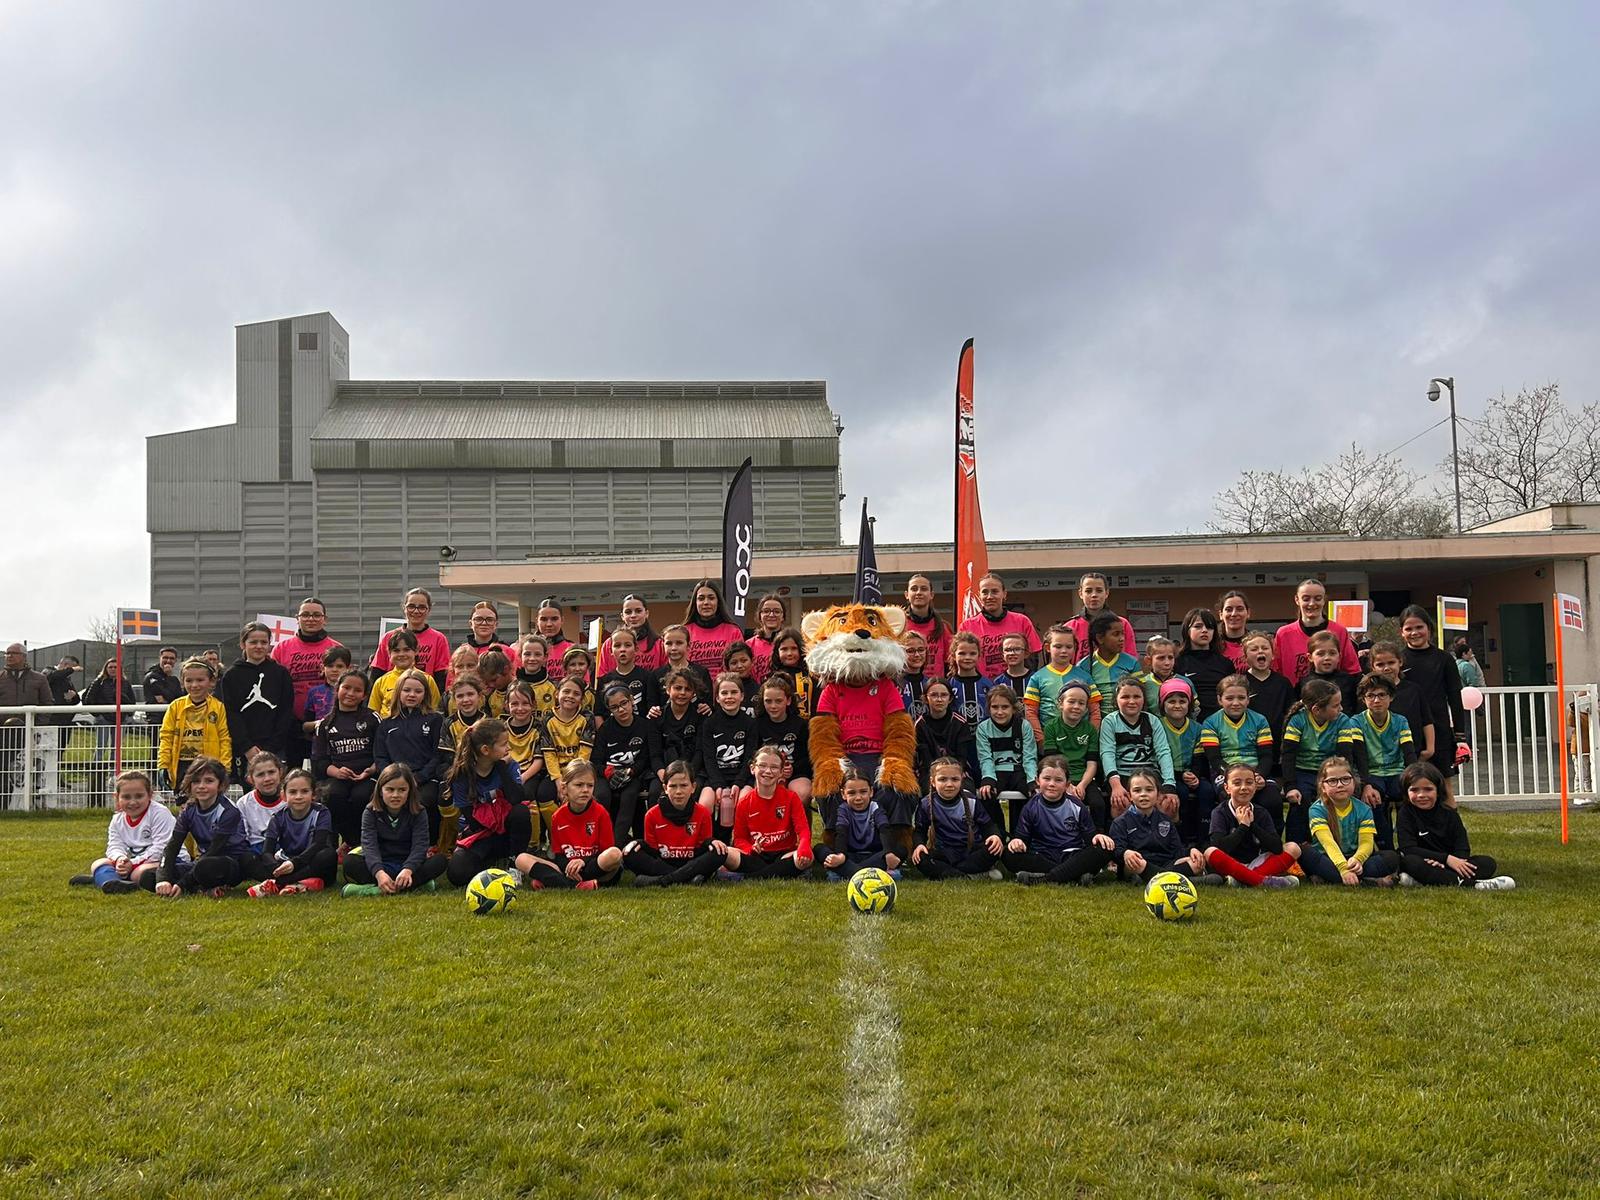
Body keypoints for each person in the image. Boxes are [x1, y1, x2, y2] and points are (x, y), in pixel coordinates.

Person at [441, 718, 539, 889]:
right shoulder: (461, 774)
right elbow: (473, 821)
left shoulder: (508, 766)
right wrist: (498, 811)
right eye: (504, 744)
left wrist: (501, 767)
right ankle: (491, 862)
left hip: (506, 833)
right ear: (485, 750)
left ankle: (514, 864)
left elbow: (516, 799)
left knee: (521, 812)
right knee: (457, 873)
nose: (508, 748)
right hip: (481, 834)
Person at [1395, 761, 1515, 889]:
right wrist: (1444, 859)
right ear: (1406, 792)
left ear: (1438, 790)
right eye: (1414, 790)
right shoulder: (1405, 813)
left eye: (1428, 789)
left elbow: (1462, 847)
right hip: (1424, 860)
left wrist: (1454, 862)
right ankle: (1474, 885)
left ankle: (1428, 880)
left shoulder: (1449, 814)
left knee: (1487, 863)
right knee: (1410, 862)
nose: (1421, 795)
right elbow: (1408, 848)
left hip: (1450, 863)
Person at [154, 758, 259, 897]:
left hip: (228, 864)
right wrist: (163, 879)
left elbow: (214, 851)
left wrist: (182, 883)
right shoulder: (188, 811)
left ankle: (193, 887)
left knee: (204, 867)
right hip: (201, 861)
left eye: (209, 781)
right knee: (149, 877)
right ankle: (201, 889)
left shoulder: (229, 811)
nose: (201, 786)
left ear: (220, 785)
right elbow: (172, 846)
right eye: (196, 781)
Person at [1006, 756, 1116, 886]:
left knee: (1105, 849)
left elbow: (1090, 839)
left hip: (1072, 855)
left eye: (1058, 780)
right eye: (1047, 779)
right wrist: (1017, 841)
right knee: (1008, 853)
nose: (1052, 784)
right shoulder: (1030, 807)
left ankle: (1044, 879)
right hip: (1043, 856)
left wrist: (1098, 837)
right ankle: (1074, 875)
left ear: (1067, 784)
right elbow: (1022, 839)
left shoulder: (1076, 805)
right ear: (1037, 781)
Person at [342, 763, 449, 895]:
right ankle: (413, 885)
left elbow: (420, 845)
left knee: (440, 861)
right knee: (349, 862)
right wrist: (379, 873)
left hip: (408, 865)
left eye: (402, 790)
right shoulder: (370, 812)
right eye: (390, 789)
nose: (395, 795)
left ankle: (373, 890)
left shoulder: (419, 811)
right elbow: (369, 845)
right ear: (380, 790)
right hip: (382, 863)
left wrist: (408, 869)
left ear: (410, 791)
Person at [1280, 678, 1365, 845]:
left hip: (1331, 772)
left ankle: (1340, 844)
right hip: (1302, 771)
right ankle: (1296, 847)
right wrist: (1290, 786)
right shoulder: (1298, 720)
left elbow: (1345, 756)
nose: (1341, 708)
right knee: (1300, 799)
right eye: (1335, 705)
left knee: (1337, 796)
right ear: (1317, 710)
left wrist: (1341, 780)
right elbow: (1288, 755)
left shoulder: (1342, 721)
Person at [1399, 604, 1469, 806]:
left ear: (1429, 628)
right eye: (1409, 628)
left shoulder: (1444, 659)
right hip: (1407, 731)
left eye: (1419, 627)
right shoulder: (1398, 659)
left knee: (1443, 787)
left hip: (1439, 730)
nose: (1414, 633)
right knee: (1407, 788)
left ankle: (1451, 825)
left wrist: (1460, 736)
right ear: (1401, 632)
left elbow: (1455, 698)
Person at [623, 760, 733, 887]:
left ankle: (660, 881)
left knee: (720, 851)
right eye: (673, 786)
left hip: (691, 862)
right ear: (665, 788)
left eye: (684, 785)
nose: (678, 791)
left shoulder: (703, 813)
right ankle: (688, 878)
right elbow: (653, 852)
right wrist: (640, 843)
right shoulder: (651, 814)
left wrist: (711, 842)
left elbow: (702, 848)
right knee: (630, 852)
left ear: (693, 787)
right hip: (664, 864)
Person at [68, 769, 178, 893]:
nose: (133, 802)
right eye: (126, 797)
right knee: (98, 863)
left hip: (167, 860)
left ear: (150, 795)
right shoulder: (117, 819)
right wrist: (120, 859)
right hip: (135, 862)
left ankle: (103, 878)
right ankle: (111, 881)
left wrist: (132, 863)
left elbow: (162, 848)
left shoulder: (159, 813)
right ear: (117, 797)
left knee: (138, 873)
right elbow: (114, 846)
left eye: (139, 796)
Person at [1199, 674, 1282, 831]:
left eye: (1241, 698)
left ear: (1248, 699)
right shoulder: (1210, 723)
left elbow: (1266, 755)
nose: (1236, 703)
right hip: (1225, 773)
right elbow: (1214, 759)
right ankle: (1231, 838)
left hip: (1256, 772)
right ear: (1220, 699)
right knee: (1229, 797)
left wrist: (1259, 776)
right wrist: (1234, 777)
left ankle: (1272, 840)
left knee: (1272, 800)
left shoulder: (1260, 720)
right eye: (1229, 698)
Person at [1301, 755, 1398, 886]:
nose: (1340, 785)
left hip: (1354, 859)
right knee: (1304, 852)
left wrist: (1358, 860)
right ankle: (1367, 880)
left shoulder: (1364, 809)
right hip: (1328, 858)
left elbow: (1366, 842)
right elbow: (1328, 843)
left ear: (1354, 781)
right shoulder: (1317, 809)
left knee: (1391, 857)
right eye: (1332, 781)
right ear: (1323, 786)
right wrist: (1343, 868)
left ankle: (1331, 877)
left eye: (1345, 779)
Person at [373, 668, 445, 842]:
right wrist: (392, 779)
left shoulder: (435, 720)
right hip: (394, 779)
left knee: (424, 800)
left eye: (418, 691)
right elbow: (380, 756)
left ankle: (429, 843)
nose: (412, 695)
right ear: (398, 692)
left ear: (425, 694)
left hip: (424, 779)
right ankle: (391, 843)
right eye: (407, 690)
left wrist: (420, 777)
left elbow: (438, 755)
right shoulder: (386, 724)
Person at [1203, 762, 1301, 888]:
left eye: (1249, 783)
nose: (1244, 787)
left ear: (1255, 787)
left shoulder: (1261, 812)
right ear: (1227, 788)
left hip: (1256, 863)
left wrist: (1252, 824)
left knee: (1293, 848)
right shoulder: (1220, 812)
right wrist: (1243, 827)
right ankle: (1263, 881)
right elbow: (1220, 847)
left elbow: (1277, 847)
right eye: (1237, 783)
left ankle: (1243, 880)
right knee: (1210, 852)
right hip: (1230, 865)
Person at [270, 598, 343, 766]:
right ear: (297, 618)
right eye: (305, 615)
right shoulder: (281, 648)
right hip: (290, 724)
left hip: (327, 724)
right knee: (291, 774)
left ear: (325, 619)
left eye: (316, 615)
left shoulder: (337, 648)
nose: (311, 619)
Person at [311, 670, 378, 850]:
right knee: (334, 796)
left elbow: (383, 752)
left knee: (360, 797)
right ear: (337, 689)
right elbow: (319, 761)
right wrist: (336, 772)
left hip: (368, 775)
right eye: (346, 688)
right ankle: (349, 842)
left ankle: (363, 843)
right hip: (339, 776)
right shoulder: (325, 724)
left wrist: (371, 769)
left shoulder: (372, 718)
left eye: (357, 690)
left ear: (364, 695)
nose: (350, 693)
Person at [219, 621, 296, 780]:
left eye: (263, 642)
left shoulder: (281, 674)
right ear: (243, 644)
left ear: (269, 644)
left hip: (276, 746)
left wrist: (272, 747)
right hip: (246, 749)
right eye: (253, 642)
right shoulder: (232, 675)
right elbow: (231, 713)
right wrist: (246, 746)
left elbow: (285, 711)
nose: (259, 646)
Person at [531, 760, 625, 889]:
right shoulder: (558, 816)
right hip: (569, 867)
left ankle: (555, 881)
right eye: (579, 785)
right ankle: (582, 884)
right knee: (521, 859)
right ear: (564, 788)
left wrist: (582, 861)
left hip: (593, 865)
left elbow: (605, 851)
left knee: (614, 854)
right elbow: (559, 855)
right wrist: (571, 867)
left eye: (590, 785)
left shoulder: (601, 813)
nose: (585, 790)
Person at [1108, 767, 1212, 883]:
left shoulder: (1165, 820)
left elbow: (1177, 850)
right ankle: (1184, 880)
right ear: (1130, 796)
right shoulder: (1120, 822)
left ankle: (1156, 878)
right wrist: (1125, 853)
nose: (1143, 794)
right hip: (1140, 864)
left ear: (1158, 794)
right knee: (1134, 864)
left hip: (1166, 863)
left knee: (1195, 863)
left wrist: (1191, 851)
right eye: (1137, 790)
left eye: (1149, 790)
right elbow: (1116, 851)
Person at [246, 767, 338, 896]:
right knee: (248, 858)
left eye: (304, 791)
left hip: (309, 860)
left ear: (314, 794)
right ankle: (298, 883)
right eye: (293, 792)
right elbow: (267, 851)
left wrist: (294, 863)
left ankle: (280, 883)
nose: (298, 797)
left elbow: (318, 844)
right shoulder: (278, 817)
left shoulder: (321, 812)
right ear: (283, 795)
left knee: (328, 855)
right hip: (286, 862)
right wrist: (276, 868)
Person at [592, 684, 664, 847]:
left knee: (629, 796)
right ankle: (599, 841)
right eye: (614, 707)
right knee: (602, 795)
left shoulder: (645, 726)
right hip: (608, 774)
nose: (621, 709)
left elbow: (646, 758)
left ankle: (616, 845)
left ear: (632, 701)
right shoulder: (605, 729)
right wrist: (609, 772)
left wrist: (631, 771)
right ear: (609, 709)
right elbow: (595, 761)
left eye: (624, 703)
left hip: (633, 774)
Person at [727, 745, 814, 879]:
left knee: (807, 857)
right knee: (727, 853)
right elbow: (739, 838)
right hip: (756, 855)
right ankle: (780, 872)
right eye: (762, 765)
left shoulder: (791, 797)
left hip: (784, 854)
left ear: (781, 772)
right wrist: (750, 849)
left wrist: (804, 848)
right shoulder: (744, 802)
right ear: (752, 768)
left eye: (774, 767)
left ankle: (750, 877)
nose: (768, 771)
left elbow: (803, 831)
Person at [1352, 673, 1416, 852]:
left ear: (1391, 697)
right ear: (1363, 699)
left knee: (1411, 797)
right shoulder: (1356, 722)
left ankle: (1409, 847)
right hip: (1371, 774)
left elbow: (1409, 752)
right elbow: (1359, 756)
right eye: (1370, 696)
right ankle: (1386, 849)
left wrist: (1414, 780)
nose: (1376, 700)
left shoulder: (1400, 721)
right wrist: (1366, 784)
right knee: (1374, 799)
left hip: (1397, 772)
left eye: (1381, 695)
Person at [1099, 676, 1177, 820]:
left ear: (1144, 699)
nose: (1131, 701)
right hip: (1121, 775)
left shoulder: (1152, 720)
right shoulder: (1110, 721)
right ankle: (1122, 834)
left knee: (1169, 805)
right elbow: (1107, 753)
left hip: (1150, 772)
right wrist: (1115, 785)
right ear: (1116, 699)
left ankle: (1163, 834)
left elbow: (1164, 752)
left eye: (1136, 696)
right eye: (1125, 697)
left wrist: (1169, 785)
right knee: (1120, 803)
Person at [912, 756, 1002, 879]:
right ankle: (972, 875)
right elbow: (919, 830)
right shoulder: (926, 804)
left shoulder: (971, 800)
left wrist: (994, 836)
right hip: (944, 853)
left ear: (961, 780)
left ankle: (951, 873)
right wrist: (919, 844)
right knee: (921, 858)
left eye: (955, 779)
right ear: (933, 782)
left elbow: (988, 825)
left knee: (993, 849)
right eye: (942, 779)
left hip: (971, 851)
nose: (949, 784)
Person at [157, 658, 230, 795]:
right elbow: (166, 737)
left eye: (200, 680)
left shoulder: (218, 708)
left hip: (209, 766)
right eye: (189, 680)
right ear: (182, 682)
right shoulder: (175, 707)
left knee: (207, 801)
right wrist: (163, 764)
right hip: (181, 765)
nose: (194, 685)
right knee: (184, 804)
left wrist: (225, 767)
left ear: (211, 681)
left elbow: (224, 739)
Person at [1039, 681, 1105, 831]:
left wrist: (1082, 785)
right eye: (1071, 701)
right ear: (1060, 704)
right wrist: (1067, 785)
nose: (1076, 706)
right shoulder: (1051, 728)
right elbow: (1051, 763)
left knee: (1098, 804)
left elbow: (1092, 764)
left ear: (1086, 708)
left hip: (1084, 778)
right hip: (1059, 778)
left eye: (1081, 703)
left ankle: (1098, 837)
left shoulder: (1090, 730)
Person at [816, 767, 902, 881]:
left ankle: (845, 872)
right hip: (850, 855)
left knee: (900, 849)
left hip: (874, 854)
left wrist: (888, 853)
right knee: (819, 849)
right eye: (852, 793)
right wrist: (841, 855)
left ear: (871, 791)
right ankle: (876, 874)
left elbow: (884, 830)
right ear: (843, 794)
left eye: (863, 792)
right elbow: (841, 833)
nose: (858, 798)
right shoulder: (843, 809)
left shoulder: (875, 807)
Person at [699, 672, 757, 840]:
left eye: (734, 692)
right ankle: (708, 844)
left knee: (744, 803)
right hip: (716, 777)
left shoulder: (750, 723)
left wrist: (738, 783)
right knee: (704, 805)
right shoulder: (709, 723)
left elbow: (750, 758)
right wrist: (718, 785)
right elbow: (708, 758)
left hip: (742, 777)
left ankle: (741, 843)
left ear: (742, 696)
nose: (729, 697)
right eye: (724, 693)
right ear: (717, 698)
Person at [1272, 578, 1361, 687]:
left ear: (1324, 600)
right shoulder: (1284, 634)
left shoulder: (1339, 631)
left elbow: (1352, 671)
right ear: (1297, 600)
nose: (1312, 603)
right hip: (1294, 695)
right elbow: (1275, 672)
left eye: (1318, 598)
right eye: (1306, 599)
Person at [974, 684, 1036, 837]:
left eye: (1005, 707)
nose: (1000, 712)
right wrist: (988, 779)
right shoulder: (983, 728)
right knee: (987, 794)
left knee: (1031, 795)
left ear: (1013, 708)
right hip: (996, 772)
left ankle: (1020, 837)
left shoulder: (1024, 726)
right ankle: (998, 836)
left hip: (1018, 771)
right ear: (989, 708)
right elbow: (985, 758)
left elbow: (1029, 757)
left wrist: (1032, 780)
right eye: (995, 707)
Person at [1158, 676, 1213, 844]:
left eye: (1182, 701)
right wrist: (1179, 775)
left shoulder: (1197, 728)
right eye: (1171, 701)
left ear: (1189, 704)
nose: (1177, 705)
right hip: (1168, 776)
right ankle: (1181, 839)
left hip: (1191, 774)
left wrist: (1195, 775)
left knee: (1206, 790)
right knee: (1179, 793)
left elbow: (1199, 757)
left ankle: (1204, 839)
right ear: (1162, 704)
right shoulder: (1158, 725)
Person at [958, 572, 1042, 679]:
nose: (989, 597)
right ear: (979, 595)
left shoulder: (1022, 621)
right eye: (985, 592)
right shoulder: (967, 626)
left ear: (1004, 594)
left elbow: (1033, 657)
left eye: (995, 591)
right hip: (982, 686)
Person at [533, 677, 594, 822]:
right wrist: (559, 782)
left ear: (582, 699)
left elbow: (584, 753)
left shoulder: (586, 717)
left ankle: (580, 831)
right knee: (543, 795)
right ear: (557, 694)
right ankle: (557, 831)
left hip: (579, 771)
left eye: (576, 694)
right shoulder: (548, 718)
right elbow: (549, 754)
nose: (570, 696)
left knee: (580, 795)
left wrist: (574, 779)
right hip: (557, 773)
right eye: (566, 691)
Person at [1024, 624, 1096, 745]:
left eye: (1069, 647)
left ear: (1075, 648)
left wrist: (1091, 737)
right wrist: (1041, 740)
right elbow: (1030, 713)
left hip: (1081, 743)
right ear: (1048, 647)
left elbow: (1095, 711)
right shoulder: (1037, 678)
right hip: (1050, 742)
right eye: (1058, 646)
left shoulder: (1085, 677)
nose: (1064, 651)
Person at [1369, 640, 1436, 769]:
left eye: (1391, 662)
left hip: (1412, 754)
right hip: (1379, 758)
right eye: (1380, 664)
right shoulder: (1369, 694)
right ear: (1373, 667)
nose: (1386, 668)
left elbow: (1427, 720)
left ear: (1400, 662)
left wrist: (1430, 749)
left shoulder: (1414, 690)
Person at [370, 587, 452, 689]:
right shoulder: (389, 637)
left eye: (422, 607)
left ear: (429, 610)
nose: (416, 611)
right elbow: (376, 675)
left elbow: (442, 677)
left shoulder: (439, 639)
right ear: (404, 608)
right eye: (411, 606)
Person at [1, 643, 52, 807]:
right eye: (7, 653)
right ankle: (4, 806)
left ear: (24, 656)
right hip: (3, 733)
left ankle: (29, 806)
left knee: (28, 769)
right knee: (3, 769)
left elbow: (47, 703)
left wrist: (36, 727)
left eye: (13, 653)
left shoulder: (39, 678)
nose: (9, 656)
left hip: (29, 733)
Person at [755, 673, 812, 809]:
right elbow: (752, 754)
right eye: (768, 701)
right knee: (764, 792)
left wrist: (793, 769)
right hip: (766, 772)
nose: (773, 706)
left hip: (795, 773)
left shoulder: (801, 725)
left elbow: (807, 757)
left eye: (778, 701)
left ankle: (798, 822)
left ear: (788, 700)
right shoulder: (757, 725)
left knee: (801, 793)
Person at [1064, 572, 1136, 669]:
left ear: (1106, 593)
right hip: (1080, 677)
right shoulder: (1069, 627)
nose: (1094, 595)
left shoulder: (1122, 624)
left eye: (1099, 590)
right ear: (1080, 593)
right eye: (1088, 591)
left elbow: (1131, 660)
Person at [914, 678, 973, 795]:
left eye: (944, 695)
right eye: (934, 695)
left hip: (957, 770)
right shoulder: (920, 725)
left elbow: (962, 757)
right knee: (929, 791)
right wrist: (939, 776)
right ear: (926, 698)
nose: (939, 699)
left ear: (950, 698)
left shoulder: (960, 723)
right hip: (930, 772)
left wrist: (953, 773)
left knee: (967, 790)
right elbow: (925, 759)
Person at [369, 629, 442, 718]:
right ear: (389, 653)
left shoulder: (427, 680)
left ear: (416, 650)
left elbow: (435, 710)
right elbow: (372, 715)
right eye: (396, 650)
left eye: (406, 650)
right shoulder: (380, 682)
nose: (401, 654)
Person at [1175, 608, 1232, 720]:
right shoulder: (1177, 663)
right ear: (1187, 630)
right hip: (1188, 722)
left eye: (1209, 627)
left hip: (1220, 722)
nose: (1204, 630)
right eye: (1198, 626)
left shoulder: (1225, 664)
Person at [1083, 614, 1142, 721]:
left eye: (1123, 634)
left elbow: (1141, 694)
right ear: (1100, 638)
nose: (1122, 639)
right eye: (1116, 634)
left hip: (1127, 721)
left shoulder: (1132, 663)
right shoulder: (1084, 666)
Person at [596, 626, 663, 718]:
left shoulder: (648, 677)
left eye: (627, 645)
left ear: (636, 649)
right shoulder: (604, 681)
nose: (622, 649)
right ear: (611, 650)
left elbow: (652, 708)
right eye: (617, 645)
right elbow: (598, 714)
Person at [656, 669, 705, 789]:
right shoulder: (657, 716)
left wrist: (687, 776)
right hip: (664, 771)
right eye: (678, 688)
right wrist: (665, 775)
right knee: (655, 791)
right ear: (668, 689)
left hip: (693, 771)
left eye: (687, 689)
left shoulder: (701, 716)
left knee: (695, 788)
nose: (682, 693)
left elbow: (699, 751)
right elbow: (654, 755)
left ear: (693, 693)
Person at [682, 579, 745, 674]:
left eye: (711, 598)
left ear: (718, 602)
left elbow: (739, 666)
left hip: (725, 683)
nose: (706, 602)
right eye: (701, 598)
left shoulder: (733, 631)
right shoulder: (684, 632)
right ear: (695, 603)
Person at [596, 594, 667, 677]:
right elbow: (602, 676)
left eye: (638, 611)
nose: (633, 615)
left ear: (646, 613)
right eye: (628, 612)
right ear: (622, 616)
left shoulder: (660, 644)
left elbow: (667, 675)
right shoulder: (609, 644)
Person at [1242, 632, 1294, 742]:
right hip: (1249, 742)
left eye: (1265, 648)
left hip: (1278, 741)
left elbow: (1291, 714)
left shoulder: (1283, 683)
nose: (1260, 651)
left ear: (1273, 655)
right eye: (1254, 649)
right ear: (1245, 657)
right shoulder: (1240, 683)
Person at [302, 645, 354, 752]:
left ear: (348, 668)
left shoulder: (354, 693)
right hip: (320, 748)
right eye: (330, 666)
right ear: (322, 668)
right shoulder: (314, 693)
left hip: (348, 747)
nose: (334, 670)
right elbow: (305, 726)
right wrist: (319, 723)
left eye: (340, 666)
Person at [903, 574, 952, 678]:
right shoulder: (899, 626)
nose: (919, 593)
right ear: (906, 594)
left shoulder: (943, 627)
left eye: (924, 589)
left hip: (936, 685)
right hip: (906, 684)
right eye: (914, 589)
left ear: (931, 595)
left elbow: (950, 662)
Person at [236, 750, 286, 852]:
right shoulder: (243, 804)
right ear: (251, 779)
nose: (267, 779)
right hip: (255, 851)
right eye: (260, 775)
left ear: (280, 772)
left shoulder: (290, 800)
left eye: (271, 772)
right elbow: (242, 839)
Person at [502, 681, 546, 796]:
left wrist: (522, 778)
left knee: (526, 793)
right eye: (514, 704)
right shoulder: (501, 728)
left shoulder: (539, 728)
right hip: (507, 771)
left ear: (534, 705)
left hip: (530, 773)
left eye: (525, 703)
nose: (520, 708)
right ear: (507, 705)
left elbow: (539, 761)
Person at [946, 631, 993, 731]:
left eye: (972, 654)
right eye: (962, 653)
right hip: (957, 737)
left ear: (979, 655)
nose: (967, 657)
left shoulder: (989, 685)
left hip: (984, 737)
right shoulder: (948, 686)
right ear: (953, 655)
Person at [657, 623, 714, 705]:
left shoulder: (701, 672)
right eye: (669, 643)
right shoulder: (656, 675)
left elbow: (708, 701)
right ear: (663, 646)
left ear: (688, 645)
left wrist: (707, 707)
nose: (674, 648)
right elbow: (652, 704)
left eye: (679, 643)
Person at [1305, 630, 1359, 716]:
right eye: (1321, 654)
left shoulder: (1349, 681)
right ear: (1310, 657)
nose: (1327, 658)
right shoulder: (1304, 683)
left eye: (1332, 653)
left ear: (1339, 656)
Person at [768, 627, 813, 718]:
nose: (789, 653)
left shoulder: (811, 675)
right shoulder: (773, 677)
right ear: (777, 652)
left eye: (794, 648)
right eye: (784, 649)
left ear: (801, 649)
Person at [745, 593, 788, 682]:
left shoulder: (790, 643)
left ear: (783, 617)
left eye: (777, 611)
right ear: (760, 616)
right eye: (766, 611)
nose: (771, 615)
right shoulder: (749, 645)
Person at [463, 600, 519, 668]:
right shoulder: (462, 652)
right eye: (478, 619)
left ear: (496, 624)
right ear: (471, 624)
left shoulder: (507, 652)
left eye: (489, 620)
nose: (484, 623)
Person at [515, 634, 557, 718]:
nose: (532, 658)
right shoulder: (512, 687)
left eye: (537, 654)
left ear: (545, 657)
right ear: (520, 656)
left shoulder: (554, 687)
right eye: (527, 654)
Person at [535, 598, 575, 683]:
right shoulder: (525, 651)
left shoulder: (573, 650)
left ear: (562, 620)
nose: (549, 624)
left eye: (554, 619)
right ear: (537, 621)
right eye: (544, 619)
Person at [1215, 590, 1254, 672]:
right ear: (1221, 614)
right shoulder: (1212, 645)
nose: (1234, 614)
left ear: (1248, 613)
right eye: (1229, 609)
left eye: (1239, 609)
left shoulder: (1256, 644)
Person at [898, 631, 931, 721]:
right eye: (910, 651)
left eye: (921, 650)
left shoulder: (930, 684)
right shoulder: (894, 684)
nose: (917, 655)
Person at [721, 640, 760, 716]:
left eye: (744, 661)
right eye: (734, 663)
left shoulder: (760, 690)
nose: (739, 666)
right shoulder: (722, 691)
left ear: (752, 661)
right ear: (727, 667)